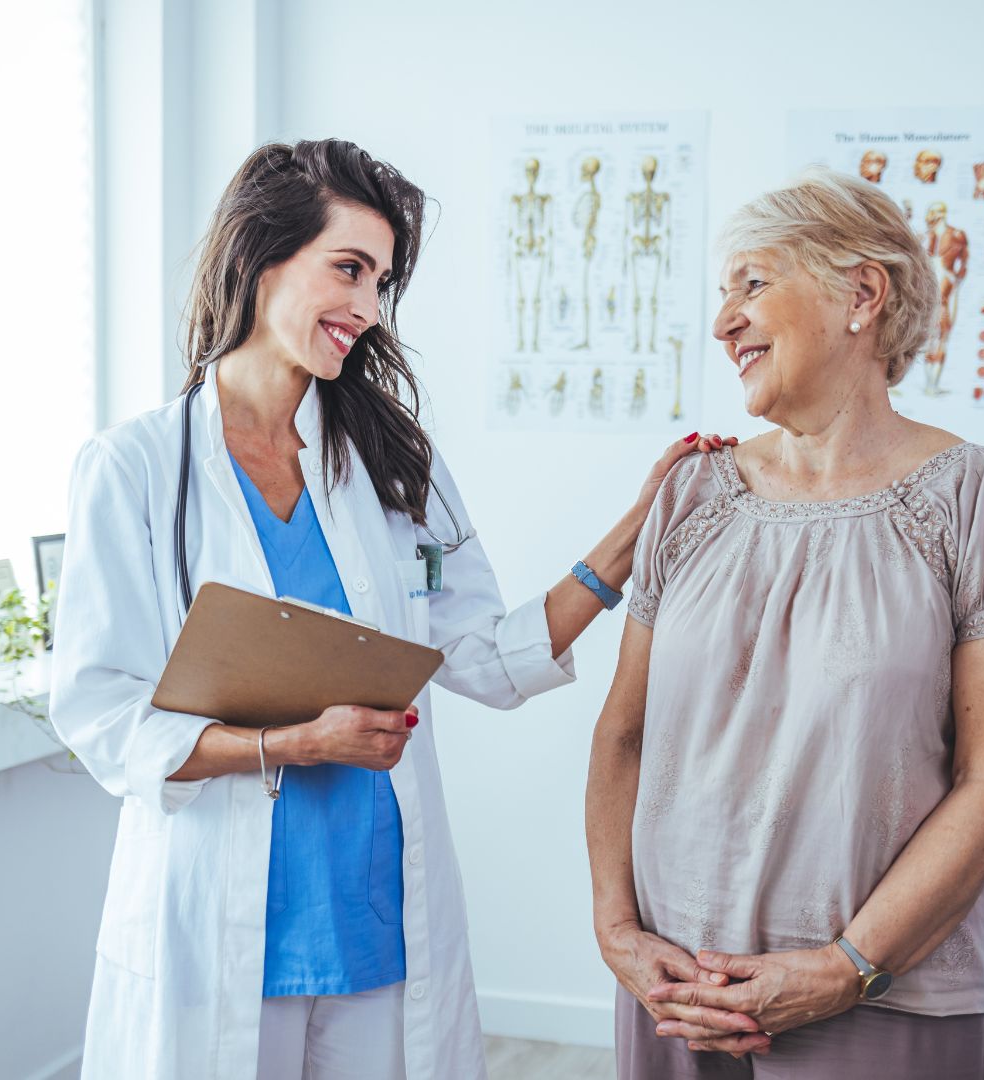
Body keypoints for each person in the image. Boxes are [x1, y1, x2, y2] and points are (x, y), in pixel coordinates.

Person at [50, 138, 731, 1080]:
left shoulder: (388, 460)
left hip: (376, 918)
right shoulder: (134, 470)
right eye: (350, 270)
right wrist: (293, 744)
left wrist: (636, 530)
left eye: (383, 282)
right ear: (260, 255)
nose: (370, 311)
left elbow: (486, 657)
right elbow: (101, 713)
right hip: (215, 920)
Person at [585, 166, 984, 1079]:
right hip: (675, 993)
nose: (725, 321)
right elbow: (623, 734)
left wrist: (846, 967)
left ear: (863, 293)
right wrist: (618, 931)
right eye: (723, 295)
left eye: (753, 284)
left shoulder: (972, 494)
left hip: (888, 994)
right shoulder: (692, 490)